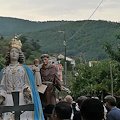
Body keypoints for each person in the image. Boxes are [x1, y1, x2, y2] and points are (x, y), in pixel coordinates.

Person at [0, 36, 44, 120]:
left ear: (19, 54)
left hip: (22, 99)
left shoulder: (24, 69)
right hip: (8, 99)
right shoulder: (4, 71)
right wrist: (1, 95)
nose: (13, 53)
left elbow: (27, 84)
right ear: (8, 54)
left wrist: (27, 91)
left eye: (16, 52)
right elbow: (2, 86)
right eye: (12, 51)